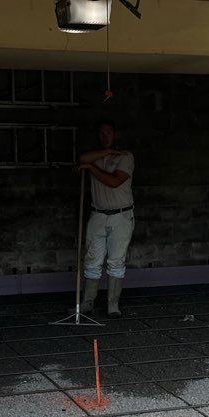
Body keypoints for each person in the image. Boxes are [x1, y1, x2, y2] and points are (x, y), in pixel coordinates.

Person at [78, 119, 134, 317]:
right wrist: (103, 154)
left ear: (115, 134)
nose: (105, 136)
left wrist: (91, 168)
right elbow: (82, 157)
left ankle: (112, 304)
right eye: (101, 133)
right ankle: (87, 303)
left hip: (121, 215)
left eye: (108, 132)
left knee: (116, 260)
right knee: (92, 259)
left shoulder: (126, 157)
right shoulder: (98, 156)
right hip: (98, 214)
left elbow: (114, 182)